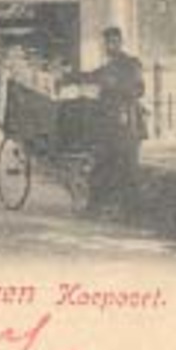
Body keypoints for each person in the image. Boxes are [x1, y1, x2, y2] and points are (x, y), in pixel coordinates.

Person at [62, 26, 145, 215]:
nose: (110, 46)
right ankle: (98, 206)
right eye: (107, 42)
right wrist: (68, 77)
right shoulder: (109, 66)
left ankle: (129, 210)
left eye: (114, 42)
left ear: (120, 42)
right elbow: (90, 76)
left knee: (127, 167)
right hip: (109, 125)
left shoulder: (131, 64)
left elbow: (139, 89)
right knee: (102, 164)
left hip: (127, 122)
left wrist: (118, 88)